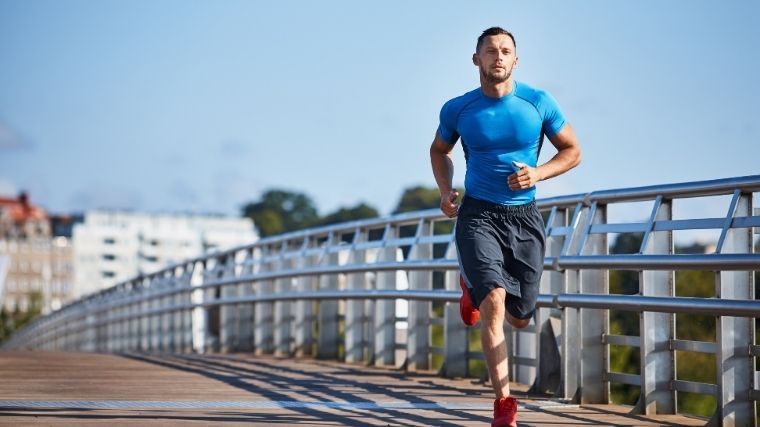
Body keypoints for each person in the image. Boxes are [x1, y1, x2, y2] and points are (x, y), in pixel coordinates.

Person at [429, 27, 581, 427]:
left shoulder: (537, 103)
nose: (498, 57)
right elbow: (439, 150)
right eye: (491, 51)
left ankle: (470, 288)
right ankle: (504, 405)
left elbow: (573, 151)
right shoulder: (459, 109)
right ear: (476, 59)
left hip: (524, 218)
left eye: (506, 51)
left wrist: (538, 173)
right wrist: (446, 191)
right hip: (478, 214)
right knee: (494, 302)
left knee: (519, 316)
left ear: (516, 60)